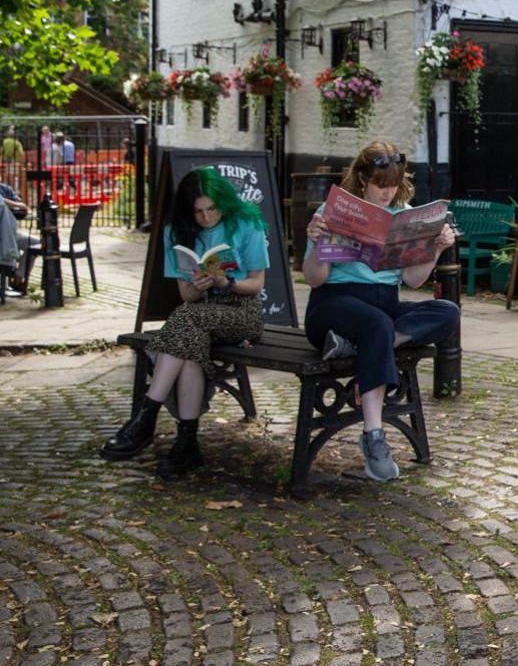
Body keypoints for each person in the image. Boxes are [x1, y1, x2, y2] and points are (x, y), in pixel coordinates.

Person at [302, 141, 459, 482]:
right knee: (377, 324)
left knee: (447, 312)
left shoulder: (404, 216)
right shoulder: (328, 215)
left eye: (392, 185)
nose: (387, 193)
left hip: (382, 305)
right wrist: (318, 245)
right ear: (362, 180)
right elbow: (314, 279)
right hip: (333, 305)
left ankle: (362, 347)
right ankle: (374, 436)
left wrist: (434, 249)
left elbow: (413, 281)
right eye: (379, 185)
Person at [99, 167, 270, 476]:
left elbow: (256, 283)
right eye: (198, 212)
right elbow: (187, 296)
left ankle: (145, 416)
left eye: (211, 209)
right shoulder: (174, 232)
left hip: (241, 310)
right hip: (199, 311)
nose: (206, 218)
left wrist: (226, 282)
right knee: (189, 346)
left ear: (223, 202)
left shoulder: (246, 223)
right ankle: (187, 445)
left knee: (185, 321)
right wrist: (199, 283)